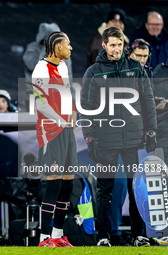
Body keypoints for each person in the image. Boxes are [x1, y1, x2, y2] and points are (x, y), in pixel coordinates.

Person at [81, 27, 157, 247]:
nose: (116, 49)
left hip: (133, 141)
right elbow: (86, 108)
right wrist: (89, 138)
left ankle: (138, 235)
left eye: (120, 45)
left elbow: (148, 102)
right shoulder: (93, 72)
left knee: (136, 189)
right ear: (104, 45)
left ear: (124, 46)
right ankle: (103, 237)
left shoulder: (136, 68)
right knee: (105, 190)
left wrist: (151, 131)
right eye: (112, 45)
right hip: (104, 142)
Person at [32, 31, 76, 248]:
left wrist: (73, 112)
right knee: (53, 184)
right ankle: (43, 238)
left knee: (68, 185)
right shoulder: (41, 69)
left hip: (66, 131)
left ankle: (57, 235)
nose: (70, 48)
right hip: (50, 131)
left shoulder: (64, 67)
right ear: (57, 47)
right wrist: (60, 120)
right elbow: (40, 103)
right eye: (67, 44)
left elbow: (67, 94)